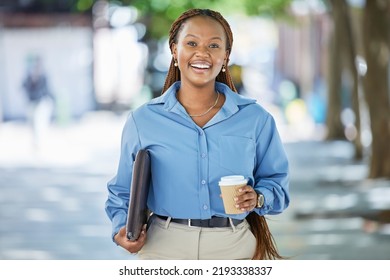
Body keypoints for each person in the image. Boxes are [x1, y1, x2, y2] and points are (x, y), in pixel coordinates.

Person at [105, 8, 289, 260]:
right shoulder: (143, 120)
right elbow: (122, 191)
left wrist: (257, 197)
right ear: (174, 50)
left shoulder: (255, 119)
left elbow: (278, 185)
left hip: (234, 247)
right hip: (164, 247)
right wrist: (121, 230)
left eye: (214, 45)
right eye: (191, 43)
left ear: (225, 56)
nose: (202, 53)